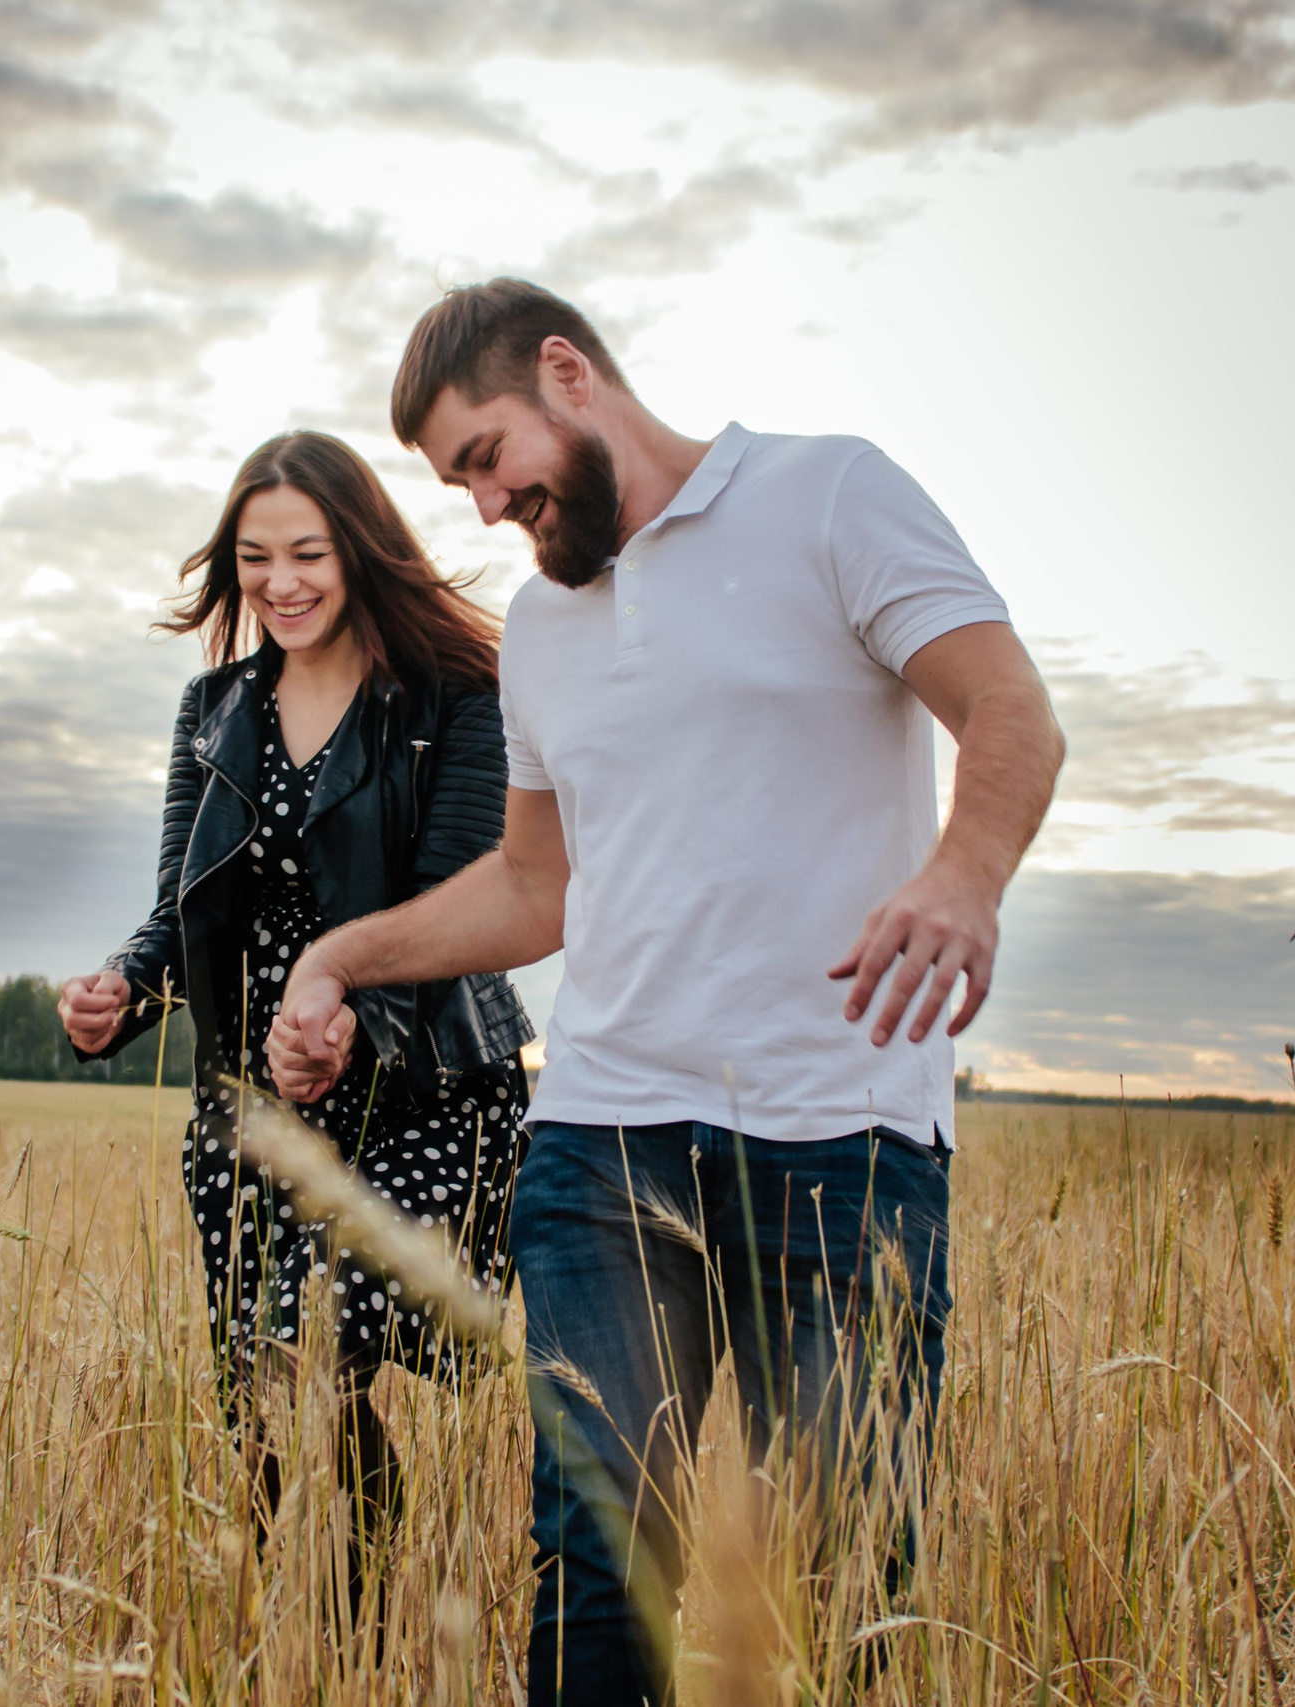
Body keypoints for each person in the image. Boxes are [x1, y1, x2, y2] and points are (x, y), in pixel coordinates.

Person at [268, 280, 1066, 1702]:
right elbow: (534, 886)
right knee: (596, 1558)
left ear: (568, 374)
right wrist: (339, 955)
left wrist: (963, 874)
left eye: (485, 457)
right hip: (604, 1139)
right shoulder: (545, 627)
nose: (483, 503)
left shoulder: (829, 496)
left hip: (841, 1143)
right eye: (456, 481)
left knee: (843, 1570)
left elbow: (1011, 708)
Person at [58, 429, 534, 1619]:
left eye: (309, 553)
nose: (282, 582)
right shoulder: (213, 709)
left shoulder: (455, 698)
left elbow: (464, 903)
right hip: (251, 1109)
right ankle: (324, 1635)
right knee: (261, 1399)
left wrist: (343, 1024)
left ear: (361, 549)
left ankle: (355, 1623)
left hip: (426, 1088)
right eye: (256, 557)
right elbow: (182, 908)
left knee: (304, 1342)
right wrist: (118, 988)